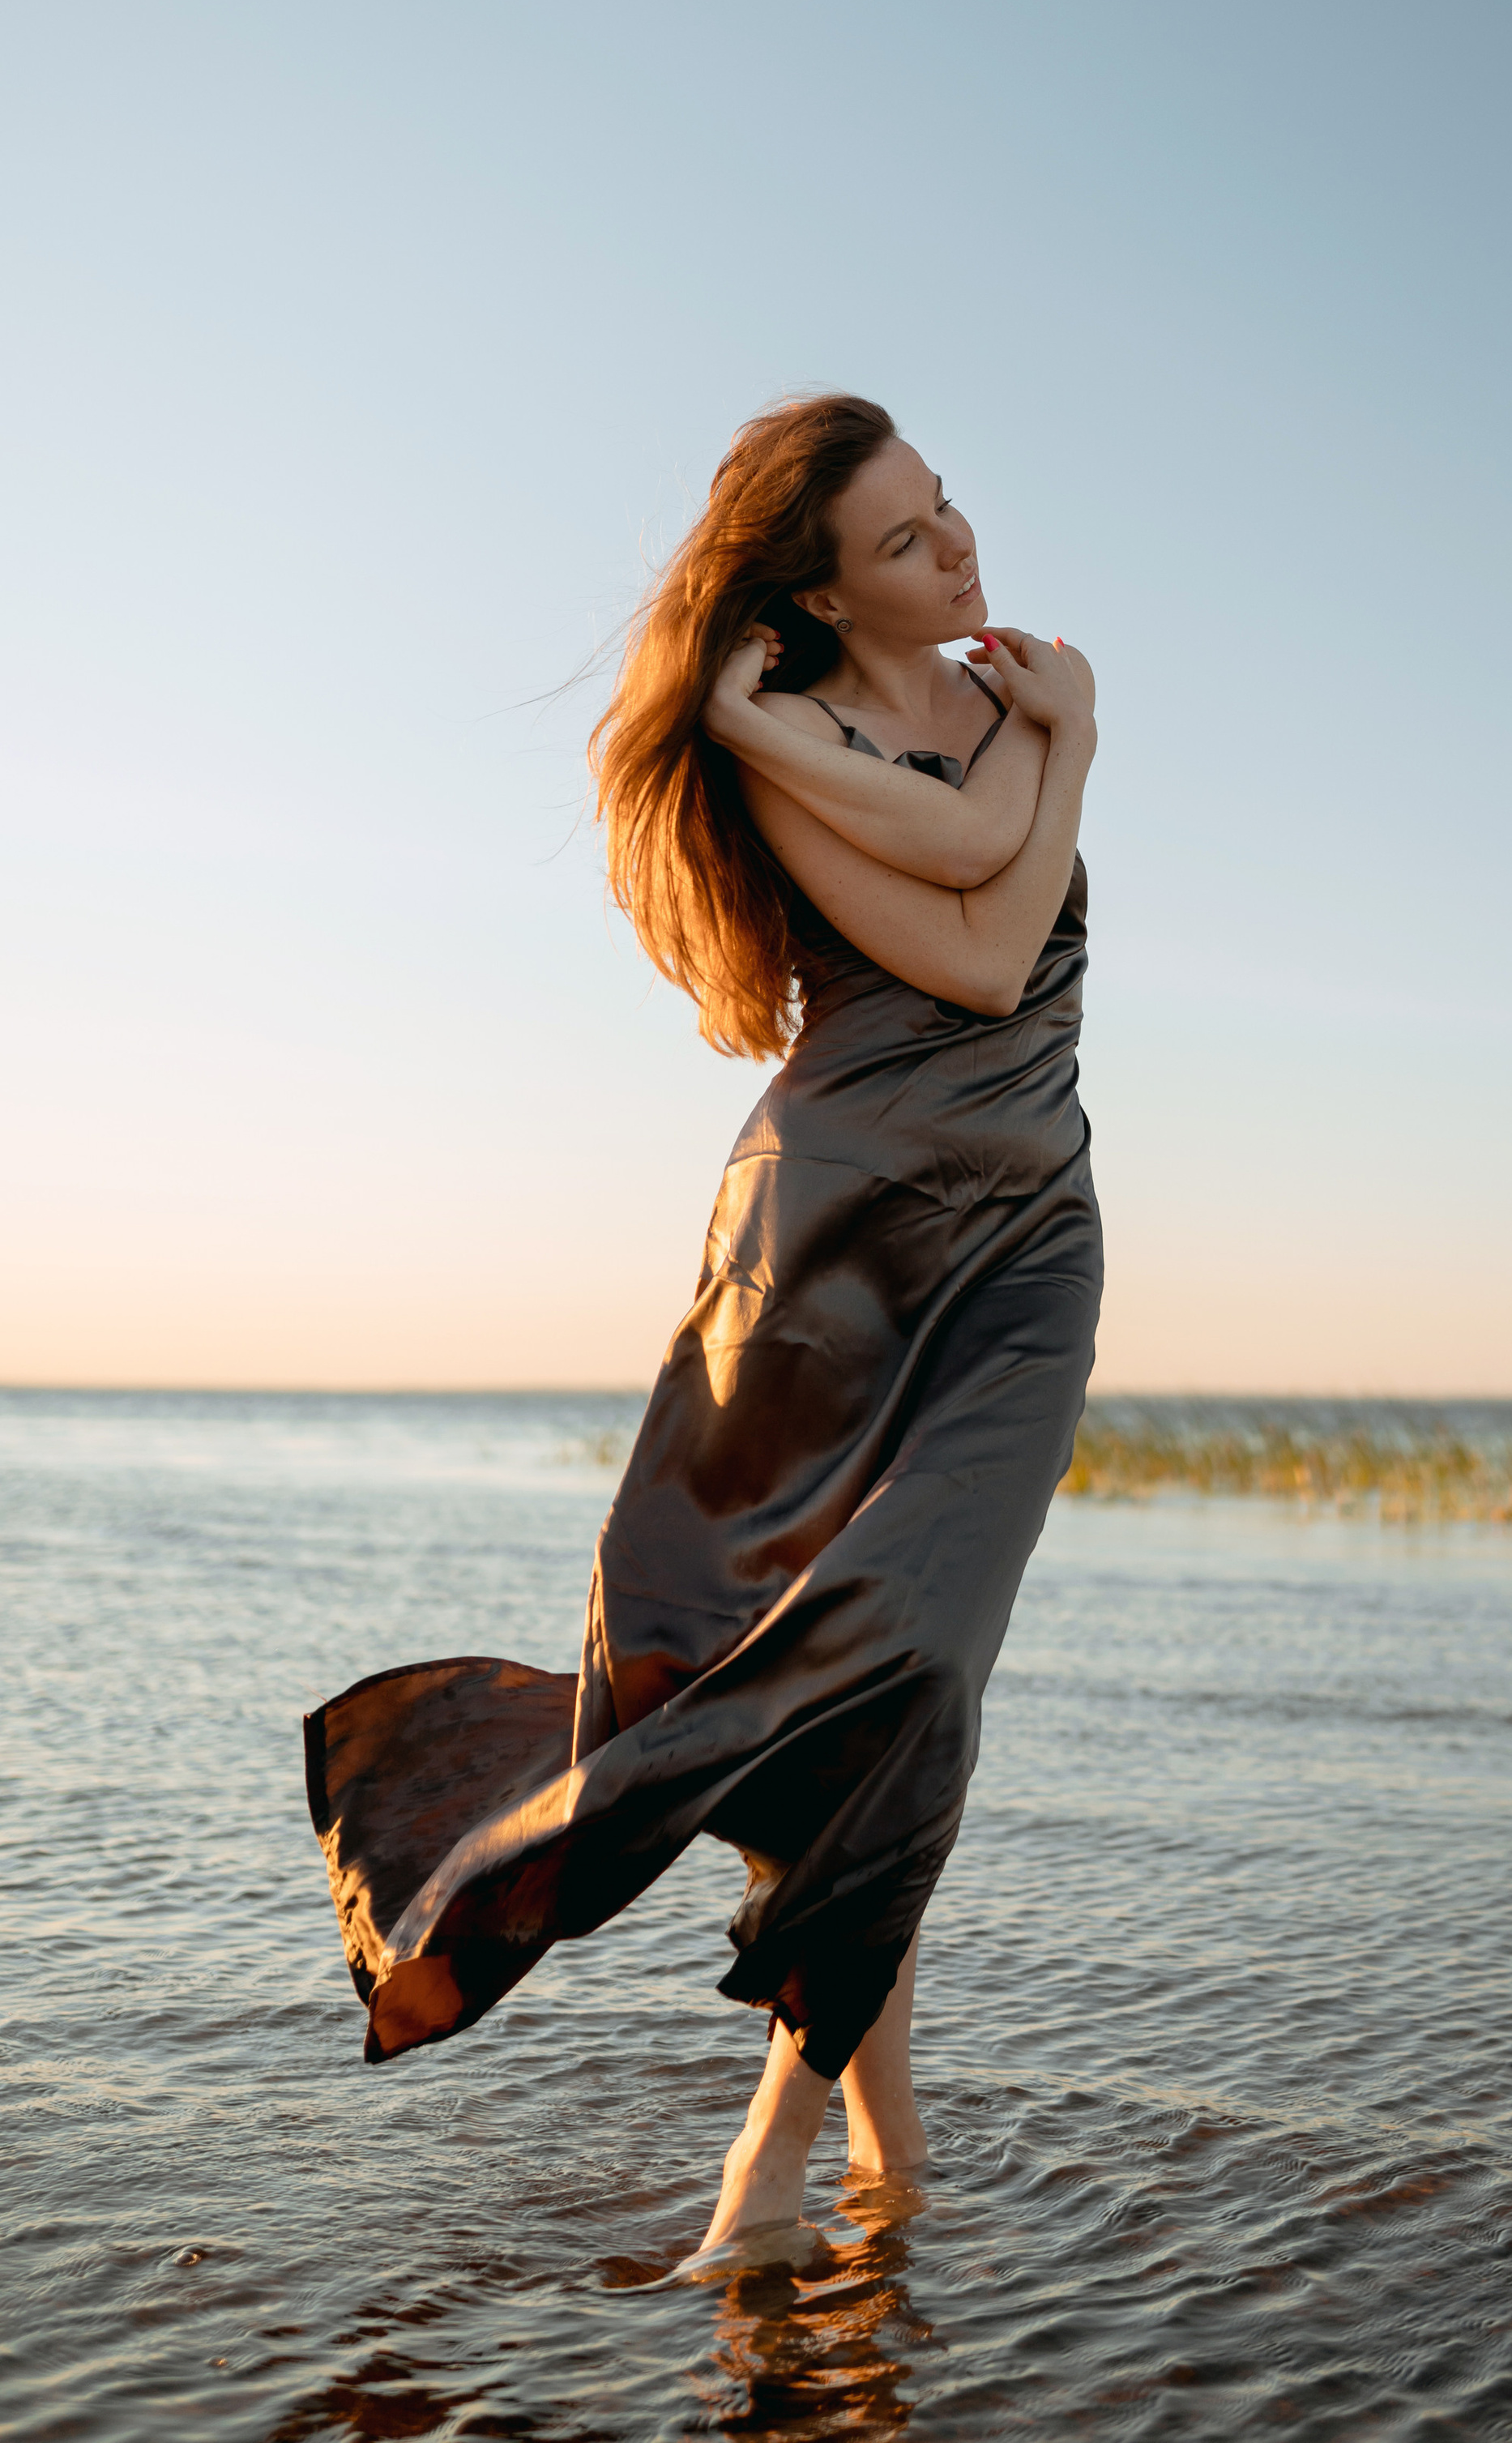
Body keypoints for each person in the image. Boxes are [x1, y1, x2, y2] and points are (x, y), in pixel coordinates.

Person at [302, 391, 1101, 2260]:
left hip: (1028, 1243)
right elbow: (982, 948)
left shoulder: (1005, 713)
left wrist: (1066, 736)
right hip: (820, 1252)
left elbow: (1002, 861)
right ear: (815, 596)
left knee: (902, 1658)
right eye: (905, 540)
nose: (955, 547)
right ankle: (890, 2162)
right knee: (825, 1688)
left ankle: (760, 2176)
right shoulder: (787, 743)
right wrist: (1065, 740)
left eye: (946, 506)